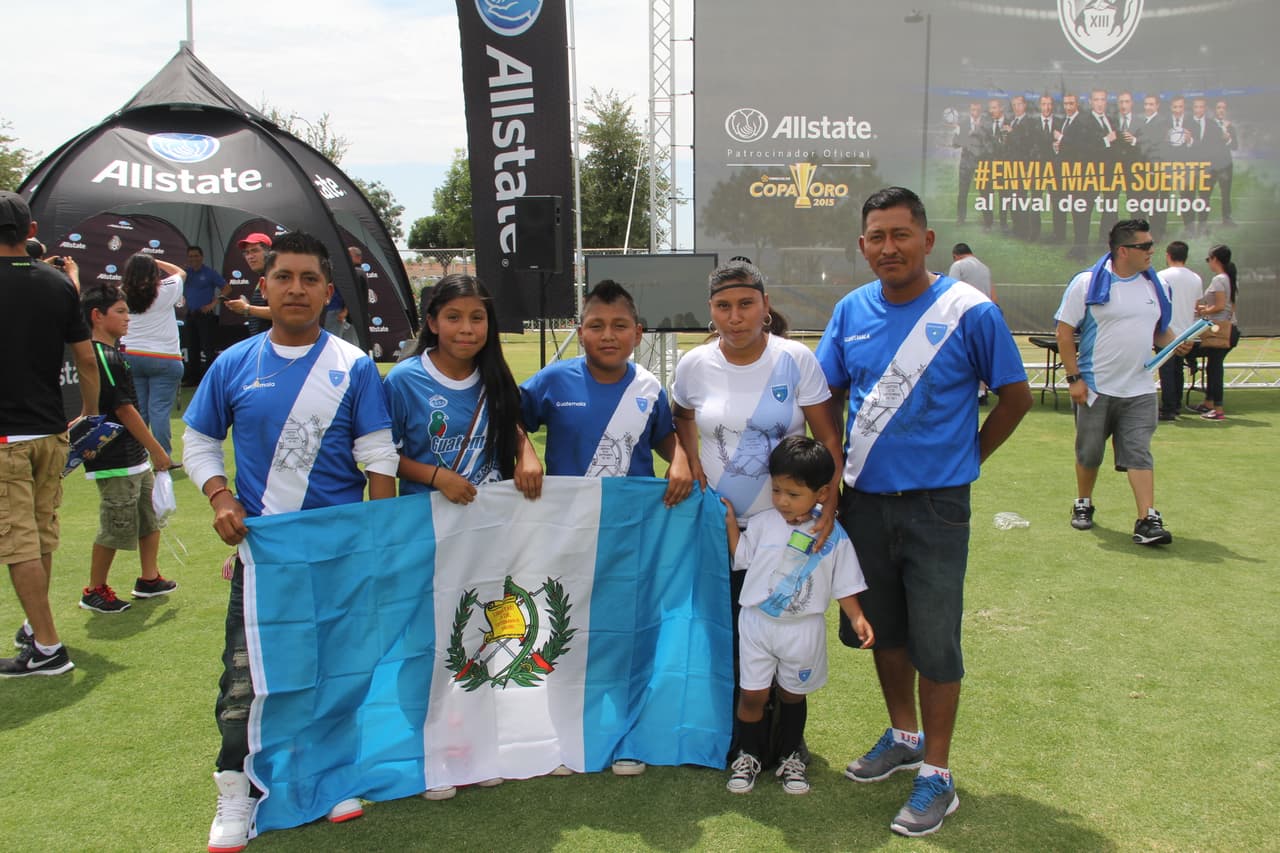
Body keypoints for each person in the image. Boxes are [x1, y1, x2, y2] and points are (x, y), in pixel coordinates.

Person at [815, 186, 1031, 837]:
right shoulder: (851, 310)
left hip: (939, 506)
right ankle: (903, 734)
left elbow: (1015, 398)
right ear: (863, 245)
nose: (888, 247)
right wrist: (830, 458)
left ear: (927, 239)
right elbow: (822, 392)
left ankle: (936, 772)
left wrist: (965, 459)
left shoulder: (969, 311)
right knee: (884, 628)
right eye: (876, 236)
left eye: (900, 234)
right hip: (865, 502)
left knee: (936, 635)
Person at [181, 231, 400, 851]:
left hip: (338, 554)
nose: (297, 289)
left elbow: (378, 459)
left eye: (310, 279)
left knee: (337, 667)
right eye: (285, 278)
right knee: (246, 678)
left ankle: (331, 777)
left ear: (329, 293)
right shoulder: (234, 363)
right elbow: (198, 440)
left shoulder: (352, 365)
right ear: (265, 287)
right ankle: (236, 791)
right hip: (265, 556)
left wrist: (378, 546)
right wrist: (220, 497)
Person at [519, 279, 693, 777]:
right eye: (596, 326)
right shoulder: (553, 380)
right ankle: (563, 736)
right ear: (581, 330)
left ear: (637, 333)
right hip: (567, 533)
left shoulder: (648, 388)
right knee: (565, 632)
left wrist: (680, 458)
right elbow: (510, 417)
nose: (608, 335)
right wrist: (526, 449)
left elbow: (665, 437)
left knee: (627, 634)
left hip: (629, 535)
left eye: (619, 326)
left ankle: (627, 735)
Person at [721, 436, 873, 796]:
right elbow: (741, 557)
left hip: (803, 630)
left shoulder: (831, 534)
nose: (782, 501)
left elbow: (845, 581)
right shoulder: (760, 524)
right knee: (752, 695)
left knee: (793, 694)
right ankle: (748, 754)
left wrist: (857, 617)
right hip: (757, 623)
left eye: (793, 494)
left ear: (822, 493)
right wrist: (730, 522)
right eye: (777, 490)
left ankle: (791, 755)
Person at [0, 191, 99, 678]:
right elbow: (85, 358)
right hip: (49, 432)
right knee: (38, 537)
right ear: (31, 232)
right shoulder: (59, 285)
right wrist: (89, 413)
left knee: (19, 545)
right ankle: (34, 628)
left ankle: (47, 646)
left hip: (7, 442)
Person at [1055, 219, 1188, 545]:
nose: (1152, 252)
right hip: (1097, 388)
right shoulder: (1087, 284)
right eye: (1145, 246)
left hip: (1140, 389)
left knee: (1139, 452)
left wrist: (1175, 342)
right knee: (1089, 454)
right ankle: (1083, 502)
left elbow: (1160, 330)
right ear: (1123, 250)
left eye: (1152, 245)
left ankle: (1147, 519)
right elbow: (1064, 331)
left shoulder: (1155, 285)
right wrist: (1074, 379)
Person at [384, 273, 541, 504]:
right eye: (453, 317)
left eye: (477, 318)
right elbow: (384, 456)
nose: (466, 328)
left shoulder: (495, 374)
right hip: (427, 521)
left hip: (490, 519)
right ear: (433, 323)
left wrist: (526, 452)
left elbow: (511, 422)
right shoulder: (404, 380)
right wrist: (436, 476)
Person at [78, 284, 177, 613]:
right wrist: (157, 449)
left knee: (149, 518)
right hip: (114, 457)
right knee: (116, 523)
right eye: (119, 312)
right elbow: (123, 409)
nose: (127, 318)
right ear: (97, 316)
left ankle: (149, 579)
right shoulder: (100, 355)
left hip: (133, 456)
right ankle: (94, 589)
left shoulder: (114, 352)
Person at [119, 253, 186, 455]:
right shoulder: (166, 290)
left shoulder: (119, 293)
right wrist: (157, 262)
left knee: (139, 411)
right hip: (164, 358)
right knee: (159, 410)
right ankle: (163, 454)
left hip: (130, 355)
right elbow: (180, 273)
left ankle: (136, 455)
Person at [1191, 244, 1239, 420]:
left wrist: (1202, 311)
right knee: (1213, 367)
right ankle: (1209, 403)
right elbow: (1227, 307)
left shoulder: (1219, 279)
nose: (1208, 263)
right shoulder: (1230, 278)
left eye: (1208, 259)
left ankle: (1218, 408)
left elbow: (1219, 306)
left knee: (1215, 368)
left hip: (1220, 330)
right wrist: (1207, 309)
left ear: (1215, 259)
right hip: (1229, 328)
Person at [1156, 241, 1203, 420]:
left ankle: (1168, 408)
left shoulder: (1162, 276)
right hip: (1186, 329)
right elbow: (1196, 305)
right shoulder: (1195, 278)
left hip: (1167, 329)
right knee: (1177, 369)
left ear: (1168, 255)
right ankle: (1175, 404)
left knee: (1167, 370)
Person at [182, 245, 229, 386]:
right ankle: (193, 379)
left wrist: (213, 304)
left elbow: (227, 288)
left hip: (205, 316)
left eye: (196, 256)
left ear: (201, 257)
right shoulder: (185, 273)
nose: (193, 259)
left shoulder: (209, 273)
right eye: (191, 256)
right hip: (191, 315)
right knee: (192, 348)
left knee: (208, 349)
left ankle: (210, 380)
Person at [224, 232, 273, 334]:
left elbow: (282, 313)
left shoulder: (275, 278)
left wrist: (247, 308)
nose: (250, 256)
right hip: (261, 342)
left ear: (269, 253)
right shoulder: (263, 277)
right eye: (247, 252)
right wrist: (247, 307)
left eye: (255, 251)